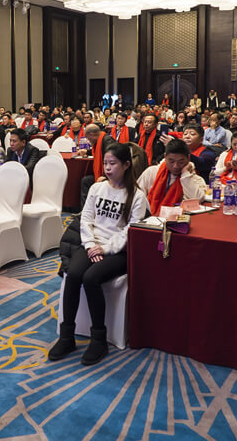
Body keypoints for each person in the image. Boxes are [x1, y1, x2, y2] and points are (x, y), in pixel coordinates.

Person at [48, 143, 148, 366]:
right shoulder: (97, 188)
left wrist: (106, 248)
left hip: (118, 251)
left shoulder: (137, 196)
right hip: (92, 245)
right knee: (73, 275)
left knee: (91, 278)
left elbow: (130, 230)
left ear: (126, 165)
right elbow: (86, 219)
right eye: (105, 163)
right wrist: (91, 244)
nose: (108, 168)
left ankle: (99, 340)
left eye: (113, 164)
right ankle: (67, 337)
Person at [137, 138, 207, 214]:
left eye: (181, 162)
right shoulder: (152, 172)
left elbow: (197, 200)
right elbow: (136, 197)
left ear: (188, 158)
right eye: (171, 161)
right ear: (165, 156)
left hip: (178, 219)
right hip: (149, 217)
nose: (175, 166)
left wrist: (185, 175)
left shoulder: (193, 178)